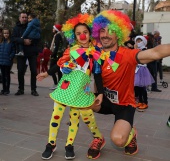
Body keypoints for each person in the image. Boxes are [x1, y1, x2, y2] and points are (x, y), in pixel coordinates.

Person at [86, 10, 170, 156]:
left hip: (124, 104)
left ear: (118, 33)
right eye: (102, 30)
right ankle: (98, 137)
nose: (105, 35)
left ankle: (131, 133)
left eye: (110, 31)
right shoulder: (95, 54)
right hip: (103, 100)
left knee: (118, 140)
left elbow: (156, 53)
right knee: (79, 101)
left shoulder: (128, 55)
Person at [37, 13, 105, 160]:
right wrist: (47, 73)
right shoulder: (71, 50)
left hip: (81, 90)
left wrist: (100, 92)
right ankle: (51, 144)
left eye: (85, 33)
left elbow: (98, 75)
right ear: (74, 36)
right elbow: (60, 63)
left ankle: (69, 145)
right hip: (65, 88)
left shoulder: (95, 52)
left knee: (74, 118)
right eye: (78, 33)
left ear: (91, 33)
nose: (82, 36)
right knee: (56, 116)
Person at [12, 11, 39, 96]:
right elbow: (13, 39)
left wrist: (30, 41)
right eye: (22, 17)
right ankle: (21, 89)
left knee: (34, 71)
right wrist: (23, 41)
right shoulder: (16, 28)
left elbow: (38, 37)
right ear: (19, 18)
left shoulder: (32, 25)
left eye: (26, 17)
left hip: (31, 51)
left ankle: (33, 89)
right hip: (21, 52)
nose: (24, 19)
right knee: (20, 71)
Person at [134, 35, 154, 111]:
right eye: (137, 41)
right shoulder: (137, 49)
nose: (138, 42)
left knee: (143, 88)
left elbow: (141, 59)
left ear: (143, 42)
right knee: (137, 87)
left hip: (142, 70)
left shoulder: (144, 50)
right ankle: (140, 101)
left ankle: (145, 102)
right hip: (136, 70)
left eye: (140, 41)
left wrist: (135, 50)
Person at [0, 28, 15, 95]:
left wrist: (10, 57)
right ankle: (3, 89)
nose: (6, 34)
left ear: (9, 34)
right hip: (1, 60)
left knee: (7, 75)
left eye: (7, 33)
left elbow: (13, 51)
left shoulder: (11, 42)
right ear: (3, 34)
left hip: (8, 61)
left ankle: (7, 89)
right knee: (2, 76)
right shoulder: (1, 41)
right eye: (5, 33)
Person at [49, 24, 63, 90]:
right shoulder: (59, 35)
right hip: (59, 55)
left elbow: (56, 46)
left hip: (56, 55)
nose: (52, 29)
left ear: (56, 29)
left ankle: (55, 83)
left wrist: (53, 54)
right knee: (59, 70)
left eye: (53, 28)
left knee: (51, 69)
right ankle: (59, 84)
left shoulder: (57, 36)